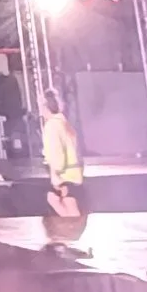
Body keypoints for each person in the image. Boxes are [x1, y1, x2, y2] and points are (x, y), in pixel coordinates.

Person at [39, 90, 86, 239]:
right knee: (64, 205)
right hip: (74, 173)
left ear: (45, 107)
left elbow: (56, 154)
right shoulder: (65, 123)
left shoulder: (52, 126)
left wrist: (56, 174)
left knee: (64, 207)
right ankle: (72, 236)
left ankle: (72, 237)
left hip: (64, 175)